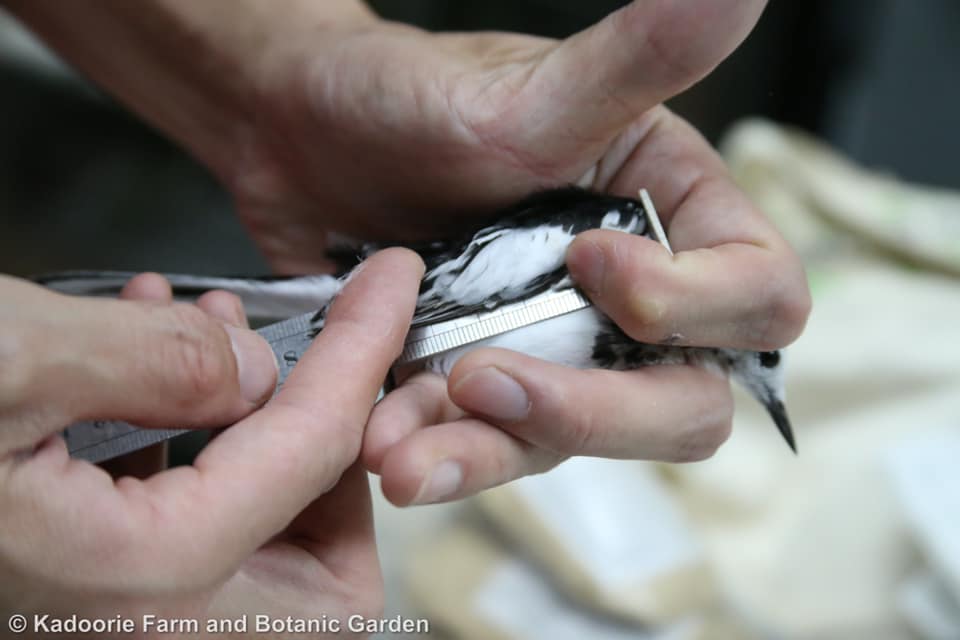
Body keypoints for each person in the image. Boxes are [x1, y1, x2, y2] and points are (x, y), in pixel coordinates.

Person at [0, 0, 809, 632]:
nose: (750, 372)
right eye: (760, 364)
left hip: (400, 328)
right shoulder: (627, 235)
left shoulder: (652, 335)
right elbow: (452, 283)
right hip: (403, 293)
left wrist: (278, 84)